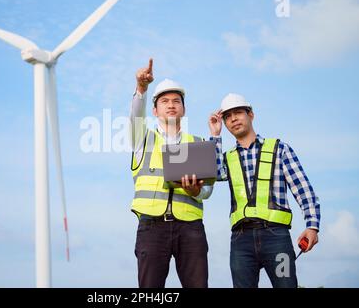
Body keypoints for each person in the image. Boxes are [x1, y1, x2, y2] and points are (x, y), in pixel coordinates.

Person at [208, 93, 321, 288]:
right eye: (227, 116)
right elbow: (214, 173)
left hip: (276, 238)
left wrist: (312, 226)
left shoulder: (279, 149)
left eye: (238, 113)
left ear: (250, 114)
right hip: (240, 241)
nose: (233, 119)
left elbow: (303, 189)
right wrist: (215, 136)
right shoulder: (228, 157)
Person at [130, 58, 213, 288]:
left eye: (176, 101)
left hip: (191, 228)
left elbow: (207, 191)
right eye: (164, 101)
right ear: (155, 110)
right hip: (152, 227)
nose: (171, 104)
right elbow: (135, 116)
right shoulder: (142, 139)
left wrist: (196, 190)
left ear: (183, 110)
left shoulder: (197, 143)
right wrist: (141, 89)